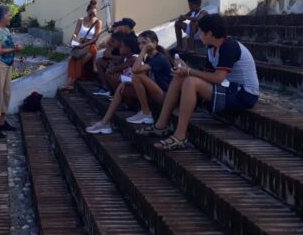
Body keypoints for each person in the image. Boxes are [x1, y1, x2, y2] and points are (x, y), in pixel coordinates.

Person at [139, 14, 259, 151]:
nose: (198, 34)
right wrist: (184, 68)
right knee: (180, 78)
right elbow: (206, 74)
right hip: (229, 88)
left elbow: (218, 77)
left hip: (244, 94)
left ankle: (180, 136)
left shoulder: (229, 46)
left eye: (200, 31)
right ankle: (160, 126)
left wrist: (189, 71)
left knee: (190, 81)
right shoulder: (212, 48)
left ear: (209, 33)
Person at [86, 31, 170, 133]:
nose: (141, 46)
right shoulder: (149, 58)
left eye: (144, 43)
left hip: (164, 96)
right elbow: (145, 77)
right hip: (152, 92)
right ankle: (104, 123)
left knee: (136, 75)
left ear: (155, 43)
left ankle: (146, 113)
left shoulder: (159, 58)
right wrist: (127, 83)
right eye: (140, 43)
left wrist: (143, 51)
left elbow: (136, 70)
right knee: (123, 86)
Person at [0, 5, 24, 138]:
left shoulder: (6, 30)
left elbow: (9, 46)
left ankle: (2, 121)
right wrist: (15, 49)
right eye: (8, 15)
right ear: (2, 17)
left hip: (7, 63)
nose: (10, 17)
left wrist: (16, 49)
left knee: (7, 93)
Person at [62, 0, 103, 91]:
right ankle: (69, 82)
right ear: (87, 11)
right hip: (81, 43)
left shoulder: (98, 22)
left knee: (80, 61)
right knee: (72, 59)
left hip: (90, 45)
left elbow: (95, 38)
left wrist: (84, 45)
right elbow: (76, 32)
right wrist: (73, 38)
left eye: (94, 14)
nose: (92, 16)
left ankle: (70, 83)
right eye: (91, 13)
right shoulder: (81, 20)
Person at [94, 18, 137, 96]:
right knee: (99, 61)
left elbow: (127, 59)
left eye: (122, 25)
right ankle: (105, 87)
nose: (120, 27)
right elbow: (109, 46)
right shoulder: (121, 35)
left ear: (127, 26)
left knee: (110, 71)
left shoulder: (133, 40)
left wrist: (112, 58)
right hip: (118, 62)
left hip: (127, 67)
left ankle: (116, 93)